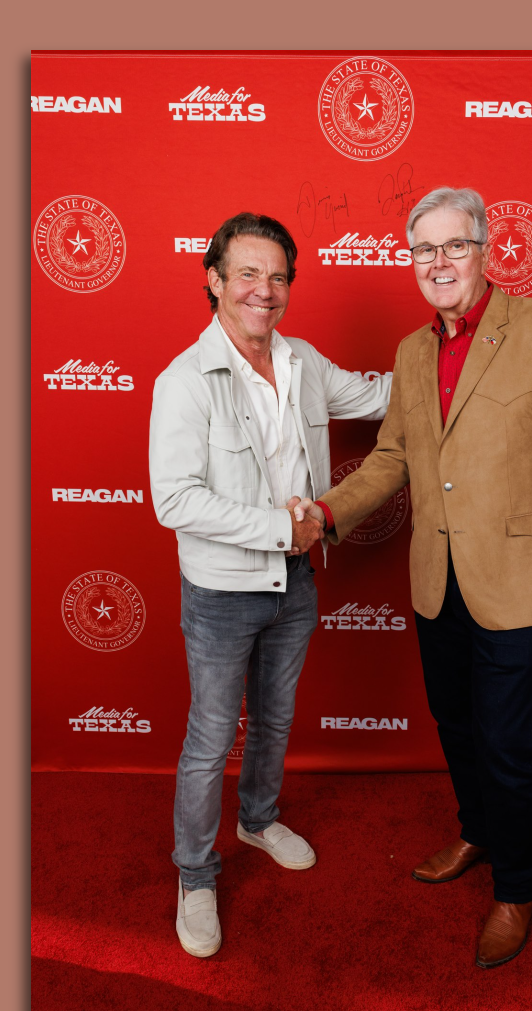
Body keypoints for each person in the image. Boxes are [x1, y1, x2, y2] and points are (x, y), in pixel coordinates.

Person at [296, 187, 532, 969]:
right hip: (438, 579)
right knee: (457, 724)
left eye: (454, 246)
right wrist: (326, 514)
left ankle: (517, 885)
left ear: (485, 249)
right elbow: (397, 457)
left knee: (507, 744)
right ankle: (478, 830)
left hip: (522, 577)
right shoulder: (410, 351)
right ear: (412, 262)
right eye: (424, 250)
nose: (439, 262)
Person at [148, 212, 393, 958]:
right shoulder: (184, 380)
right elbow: (175, 500)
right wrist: (279, 529)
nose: (266, 289)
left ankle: (257, 819)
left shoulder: (304, 362)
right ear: (215, 282)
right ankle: (195, 875)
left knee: (277, 720)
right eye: (248, 273)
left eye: (279, 275)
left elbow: (382, 396)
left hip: (294, 582)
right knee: (210, 738)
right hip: (223, 589)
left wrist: (451, 359)